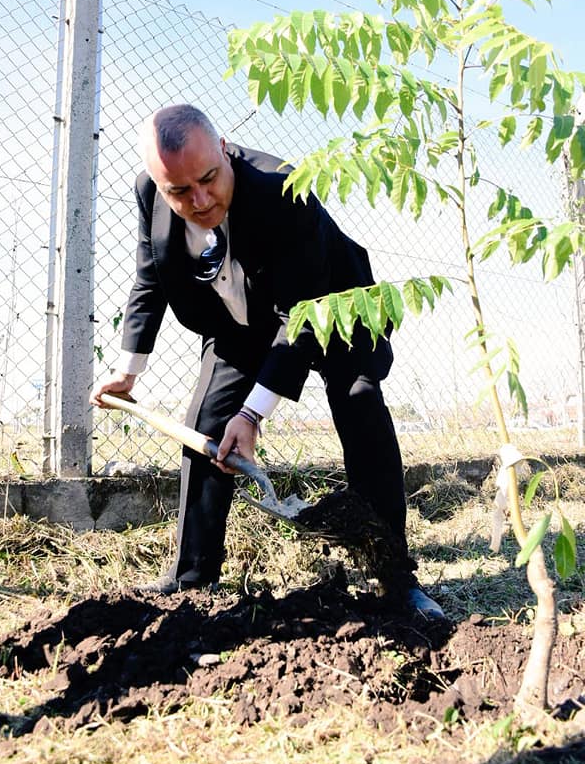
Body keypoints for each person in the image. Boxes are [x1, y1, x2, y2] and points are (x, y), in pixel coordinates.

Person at [90, 104, 444, 618]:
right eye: (180, 191)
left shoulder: (283, 190)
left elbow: (301, 320)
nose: (200, 200)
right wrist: (128, 370)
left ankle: (395, 578)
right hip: (244, 317)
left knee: (359, 400)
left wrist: (253, 414)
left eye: (208, 179)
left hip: (332, 304)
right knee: (208, 422)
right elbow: (151, 279)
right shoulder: (150, 193)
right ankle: (192, 578)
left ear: (224, 149)